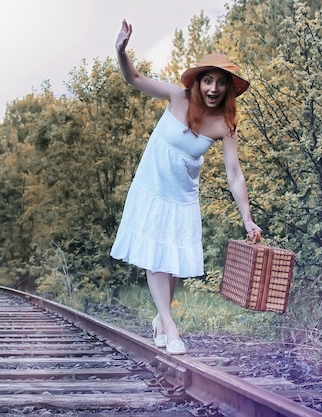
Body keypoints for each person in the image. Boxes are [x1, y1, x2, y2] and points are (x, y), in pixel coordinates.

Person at [110, 19, 262, 355]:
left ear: (228, 89)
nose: (212, 88)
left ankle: (160, 320)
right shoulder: (175, 96)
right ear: (198, 82)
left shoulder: (225, 125)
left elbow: (234, 174)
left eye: (221, 83)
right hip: (152, 189)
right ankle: (170, 325)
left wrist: (247, 218)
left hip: (181, 198)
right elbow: (132, 78)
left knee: (173, 263)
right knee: (155, 260)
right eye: (208, 80)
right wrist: (121, 50)